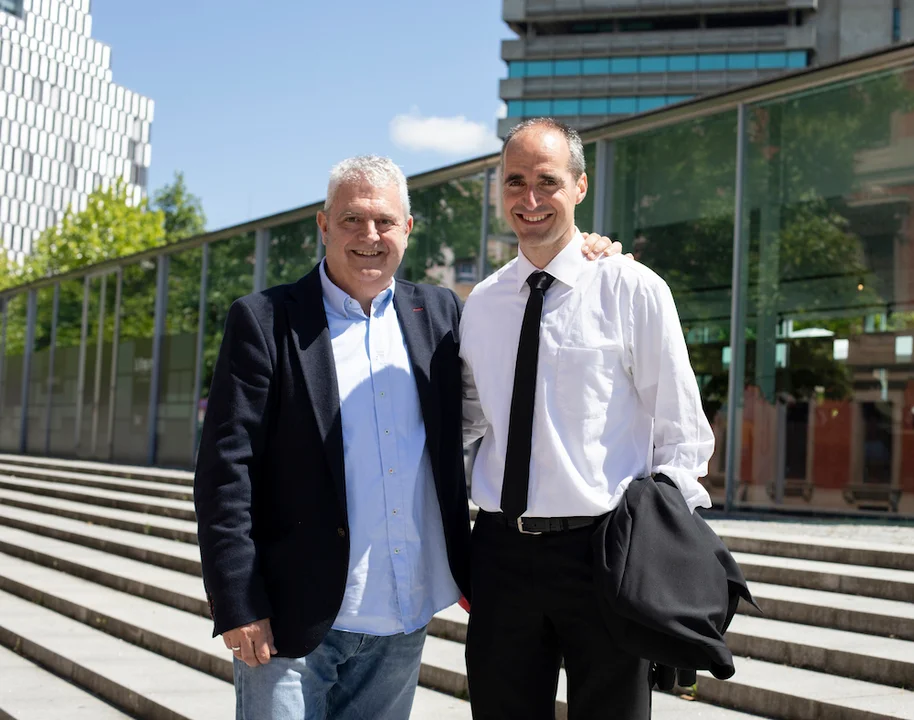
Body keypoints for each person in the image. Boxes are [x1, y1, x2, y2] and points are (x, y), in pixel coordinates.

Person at [193, 155, 619, 720]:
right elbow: (226, 471)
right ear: (323, 225)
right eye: (352, 219)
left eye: (385, 221)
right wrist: (237, 600)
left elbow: (508, 379)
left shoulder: (441, 313)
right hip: (290, 620)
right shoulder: (265, 320)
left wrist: (583, 253)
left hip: (402, 617)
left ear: (408, 229)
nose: (369, 236)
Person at [459, 119, 715, 720]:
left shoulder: (633, 288)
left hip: (603, 552)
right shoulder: (482, 305)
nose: (529, 198)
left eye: (547, 181)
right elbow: (466, 425)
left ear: (579, 186)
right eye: (515, 181)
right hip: (499, 553)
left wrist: (656, 549)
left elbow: (682, 434)